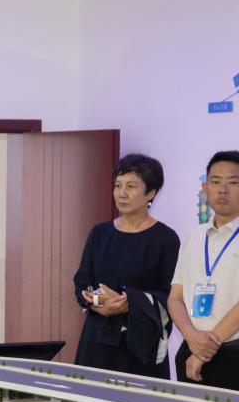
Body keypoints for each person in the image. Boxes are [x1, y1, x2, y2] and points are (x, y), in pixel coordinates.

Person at [168, 150, 239, 395]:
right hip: (190, 351)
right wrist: (191, 336)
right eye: (215, 182)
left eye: (233, 182)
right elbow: (175, 297)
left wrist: (203, 351)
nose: (222, 190)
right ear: (205, 187)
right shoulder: (193, 236)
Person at [72, 154, 180, 378]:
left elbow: (171, 295)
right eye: (118, 185)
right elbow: (82, 283)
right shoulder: (99, 233)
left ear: (151, 193)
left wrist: (130, 303)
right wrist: (98, 303)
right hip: (98, 341)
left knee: (140, 399)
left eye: (131, 186)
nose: (121, 193)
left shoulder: (166, 239)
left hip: (142, 344)